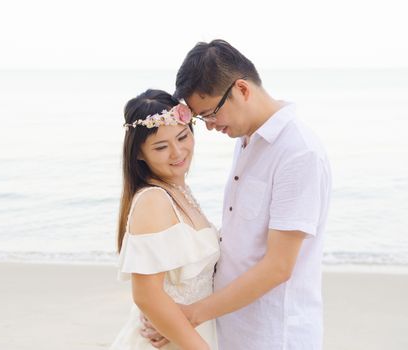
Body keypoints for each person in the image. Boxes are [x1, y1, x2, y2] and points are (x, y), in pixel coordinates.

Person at [140, 40, 332, 349]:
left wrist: (191, 315)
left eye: (211, 113)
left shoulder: (298, 153)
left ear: (242, 89)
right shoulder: (246, 140)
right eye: (202, 119)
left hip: (273, 334)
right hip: (232, 327)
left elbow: (279, 266)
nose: (211, 126)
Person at [109, 89, 220, 350]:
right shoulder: (153, 200)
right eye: (161, 147)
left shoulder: (178, 191)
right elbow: (147, 295)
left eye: (183, 136)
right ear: (139, 154)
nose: (177, 152)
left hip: (189, 333)